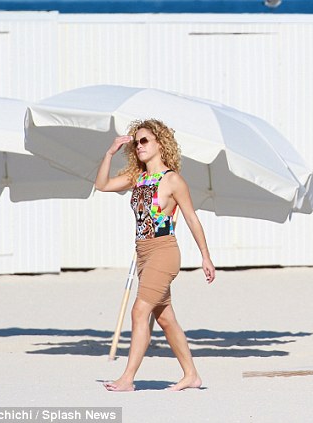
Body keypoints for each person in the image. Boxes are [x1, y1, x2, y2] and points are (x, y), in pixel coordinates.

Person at [95, 119, 216, 392]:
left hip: (164, 251)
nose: (139, 146)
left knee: (139, 312)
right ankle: (191, 375)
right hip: (143, 254)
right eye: (136, 142)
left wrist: (205, 257)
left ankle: (127, 378)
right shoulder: (137, 178)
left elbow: (192, 219)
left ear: (160, 143)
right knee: (165, 318)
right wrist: (109, 153)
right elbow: (102, 185)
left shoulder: (172, 179)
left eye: (145, 140)